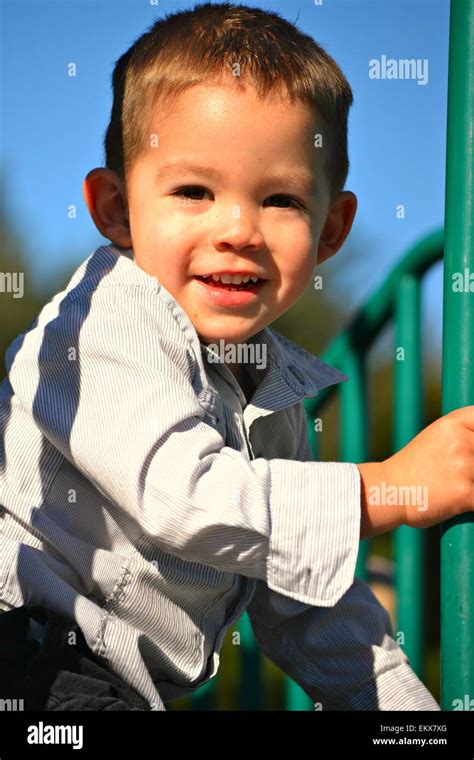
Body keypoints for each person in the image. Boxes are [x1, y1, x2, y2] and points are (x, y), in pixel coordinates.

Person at [0, 1, 470, 712]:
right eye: (194, 190)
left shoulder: (273, 390)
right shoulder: (106, 317)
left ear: (331, 228)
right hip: (26, 655)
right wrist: (389, 488)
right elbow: (185, 501)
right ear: (117, 209)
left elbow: (308, 603)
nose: (239, 229)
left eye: (280, 199)